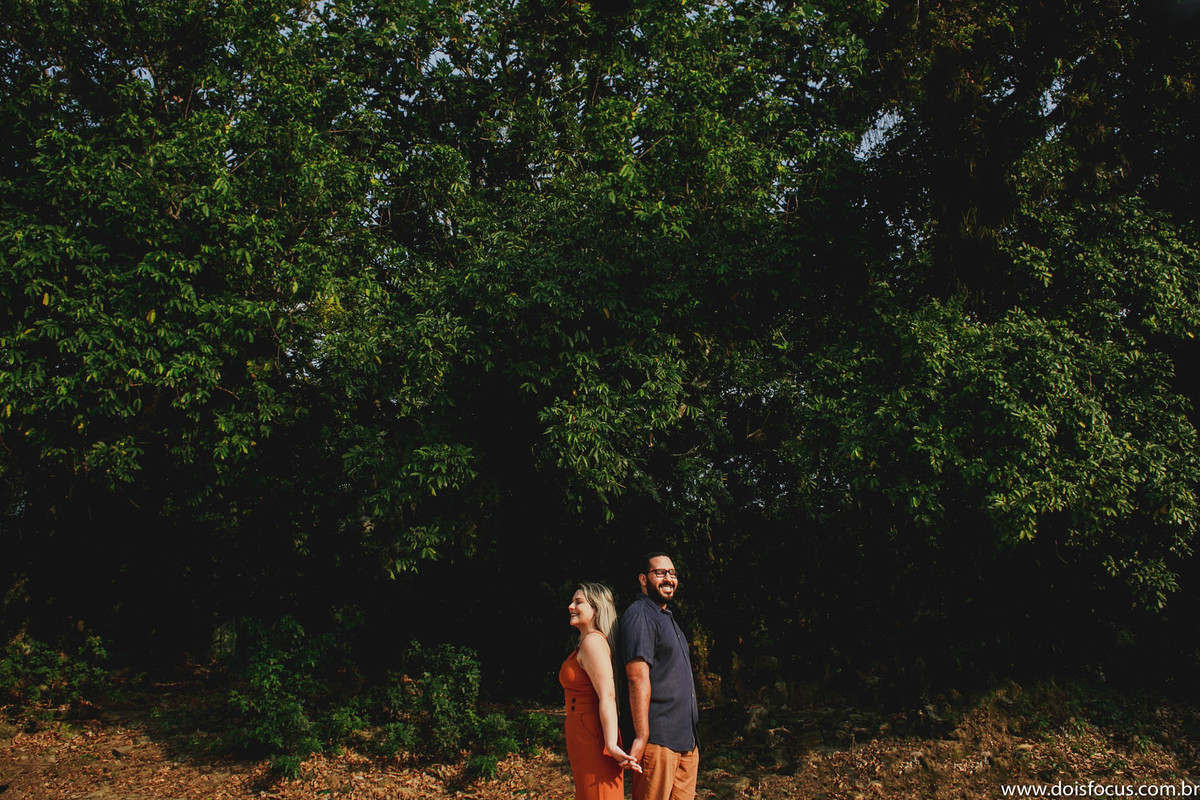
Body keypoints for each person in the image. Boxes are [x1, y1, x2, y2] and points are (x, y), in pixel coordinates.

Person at [620, 552, 700, 800]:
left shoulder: (666, 618)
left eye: (672, 573)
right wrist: (642, 736)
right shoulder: (640, 614)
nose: (669, 578)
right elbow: (637, 677)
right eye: (661, 573)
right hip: (659, 740)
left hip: (686, 742)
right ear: (643, 579)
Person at [560, 581, 641, 800]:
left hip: (591, 732)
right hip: (581, 730)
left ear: (596, 608)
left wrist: (611, 744)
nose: (571, 606)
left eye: (578, 602)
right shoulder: (587, 642)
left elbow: (607, 694)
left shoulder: (593, 642)